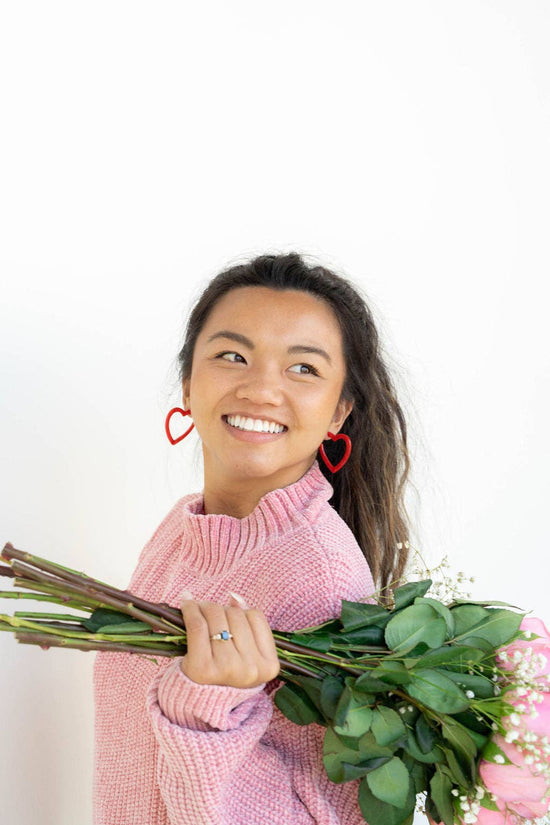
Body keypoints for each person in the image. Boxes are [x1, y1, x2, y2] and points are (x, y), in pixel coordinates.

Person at [92, 252, 412, 824]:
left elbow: (329, 816)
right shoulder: (181, 530)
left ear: (340, 412)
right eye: (232, 356)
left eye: (303, 369)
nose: (261, 390)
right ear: (188, 384)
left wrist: (202, 713)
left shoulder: (318, 576)